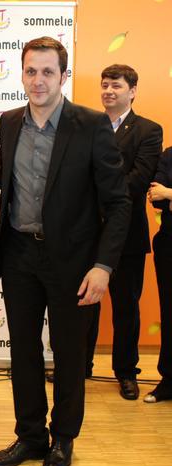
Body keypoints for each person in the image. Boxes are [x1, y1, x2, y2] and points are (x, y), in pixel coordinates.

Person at [0, 37, 131, 466]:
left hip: (73, 261)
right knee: (23, 351)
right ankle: (30, 437)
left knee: (69, 354)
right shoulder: (9, 122)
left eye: (48, 72)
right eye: (31, 71)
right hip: (18, 254)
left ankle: (63, 439)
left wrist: (103, 266)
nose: (38, 80)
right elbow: (18, 183)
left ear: (63, 76)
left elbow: (118, 203)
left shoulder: (91, 124)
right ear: (22, 74)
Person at [89, 64, 162, 399]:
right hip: (86, 232)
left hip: (127, 232)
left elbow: (139, 179)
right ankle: (78, 366)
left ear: (132, 91)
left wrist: (95, 197)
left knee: (126, 307)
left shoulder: (148, 130)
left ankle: (126, 372)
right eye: (105, 85)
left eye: (116, 85)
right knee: (82, 305)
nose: (108, 91)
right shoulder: (87, 125)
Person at [146, 147, 172, 403]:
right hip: (169, 245)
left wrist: (170, 193)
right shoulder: (169, 155)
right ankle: (169, 380)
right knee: (169, 312)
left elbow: (165, 195)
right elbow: (156, 197)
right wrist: (164, 195)